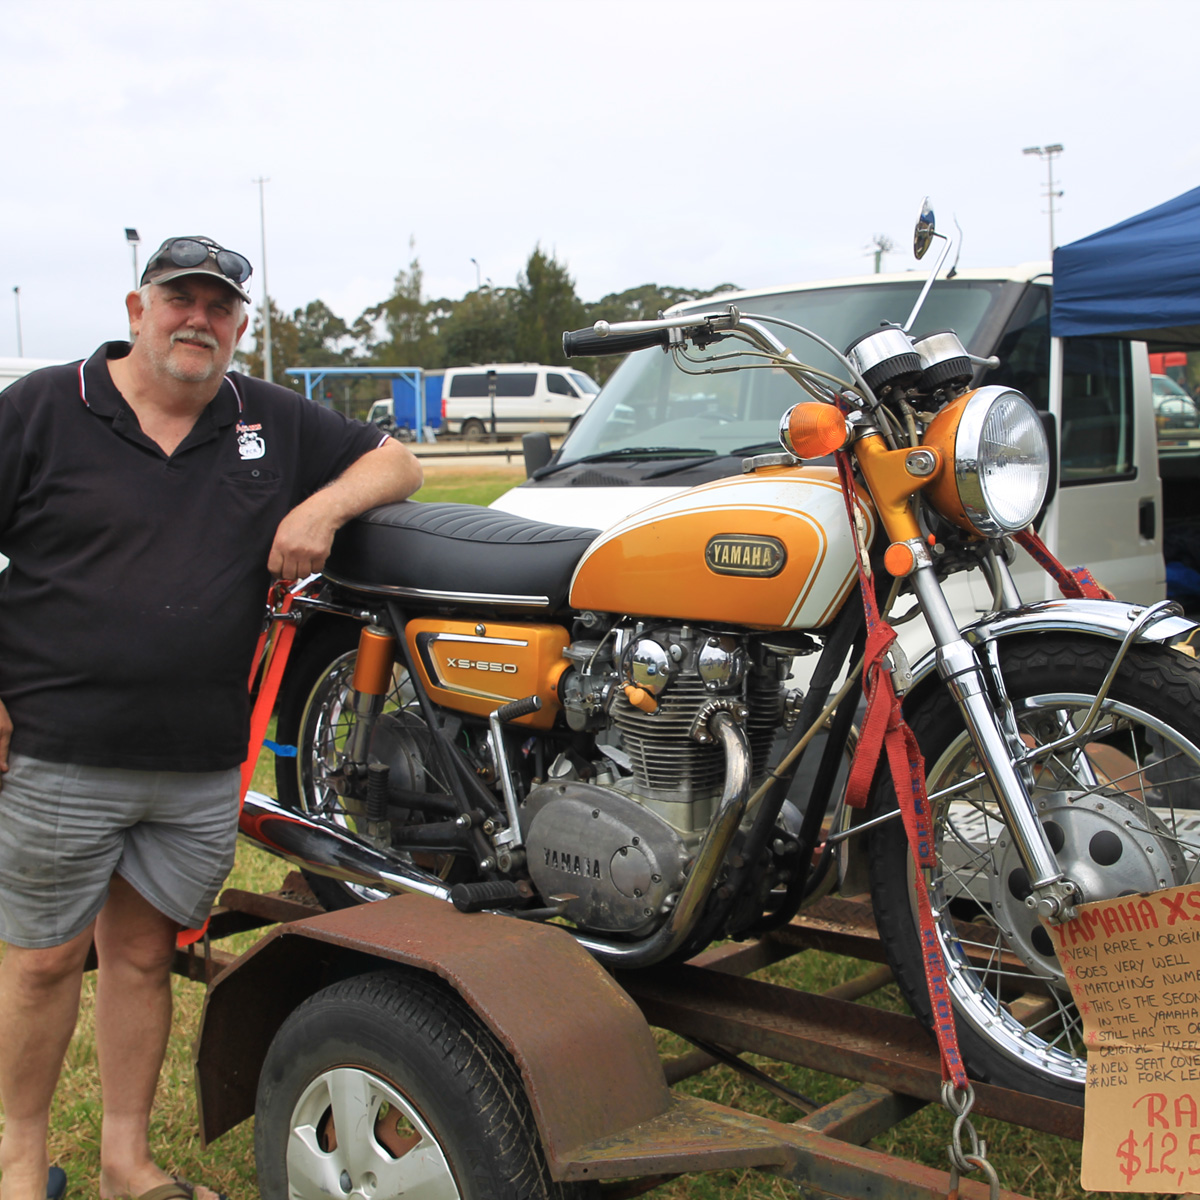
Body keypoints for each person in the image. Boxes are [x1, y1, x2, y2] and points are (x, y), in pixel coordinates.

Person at [0, 236, 423, 1200]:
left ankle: (125, 1164)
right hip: (59, 750)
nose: (199, 319)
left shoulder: (266, 417)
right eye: (179, 299)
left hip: (196, 759)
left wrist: (321, 510)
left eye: (220, 306)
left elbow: (398, 465)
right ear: (136, 309)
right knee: (43, 963)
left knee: (144, 958)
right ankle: (19, 1167)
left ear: (239, 326)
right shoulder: (42, 408)